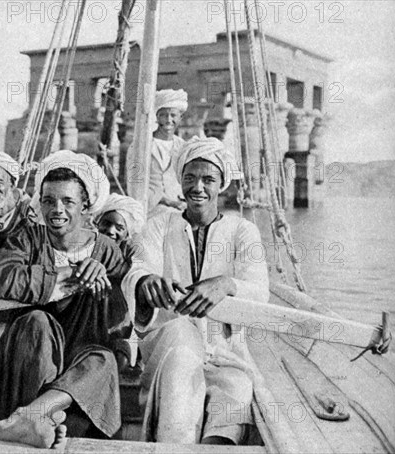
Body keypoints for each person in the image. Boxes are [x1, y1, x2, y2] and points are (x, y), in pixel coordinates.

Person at [122, 137, 269, 445]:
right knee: (179, 367)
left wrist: (227, 284)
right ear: (180, 180)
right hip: (169, 346)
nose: (198, 187)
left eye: (208, 179)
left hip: (225, 352)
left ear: (222, 185)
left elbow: (260, 294)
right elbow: (137, 268)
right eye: (190, 178)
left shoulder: (242, 231)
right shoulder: (160, 225)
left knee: (235, 396)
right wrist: (146, 280)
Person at [0, 150, 130, 448]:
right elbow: (2, 278)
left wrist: (103, 277)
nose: (56, 210)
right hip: (30, 355)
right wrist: (69, 274)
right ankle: (36, 418)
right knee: (36, 322)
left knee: (104, 359)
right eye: (48, 201)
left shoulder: (107, 250)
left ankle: (35, 415)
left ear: (85, 205)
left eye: (68, 201)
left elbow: (121, 314)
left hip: (78, 357)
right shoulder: (27, 238)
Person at [94, 193, 146, 371]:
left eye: (119, 227)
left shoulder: (129, 251)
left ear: (126, 233)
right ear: (97, 223)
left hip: (118, 311)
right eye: (106, 223)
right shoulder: (89, 245)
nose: (111, 231)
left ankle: (124, 353)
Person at [147, 89, 188, 217]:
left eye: (173, 115)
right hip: (150, 210)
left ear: (180, 118)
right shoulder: (143, 146)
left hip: (180, 209)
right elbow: (135, 183)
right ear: (157, 117)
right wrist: (168, 202)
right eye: (164, 115)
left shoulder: (183, 147)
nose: (169, 120)